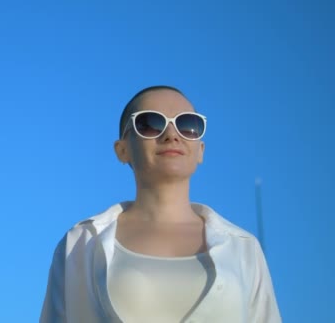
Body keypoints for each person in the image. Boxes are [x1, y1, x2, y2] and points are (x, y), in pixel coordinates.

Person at [40, 86, 281, 323]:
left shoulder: (244, 248)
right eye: (150, 123)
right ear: (122, 150)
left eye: (188, 125)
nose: (172, 134)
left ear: (201, 150)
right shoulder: (79, 244)